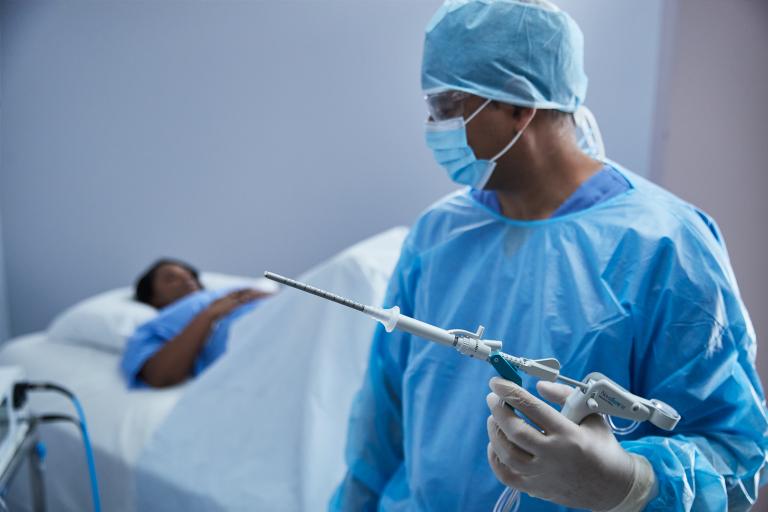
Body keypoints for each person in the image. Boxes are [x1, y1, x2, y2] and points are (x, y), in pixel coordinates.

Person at [330, 0, 768, 510]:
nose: (433, 124)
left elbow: (734, 452)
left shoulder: (665, 245)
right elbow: (379, 432)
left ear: (519, 104)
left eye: (448, 107)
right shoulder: (439, 234)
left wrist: (630, 482)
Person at [121, 258, 271, 388]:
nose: (187, 280)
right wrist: (209, 314)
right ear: (153, 297)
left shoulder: (225, 292)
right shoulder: (155, 325)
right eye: (171, 278)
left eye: (190, 276)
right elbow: (159, 376)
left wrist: (268, 297)